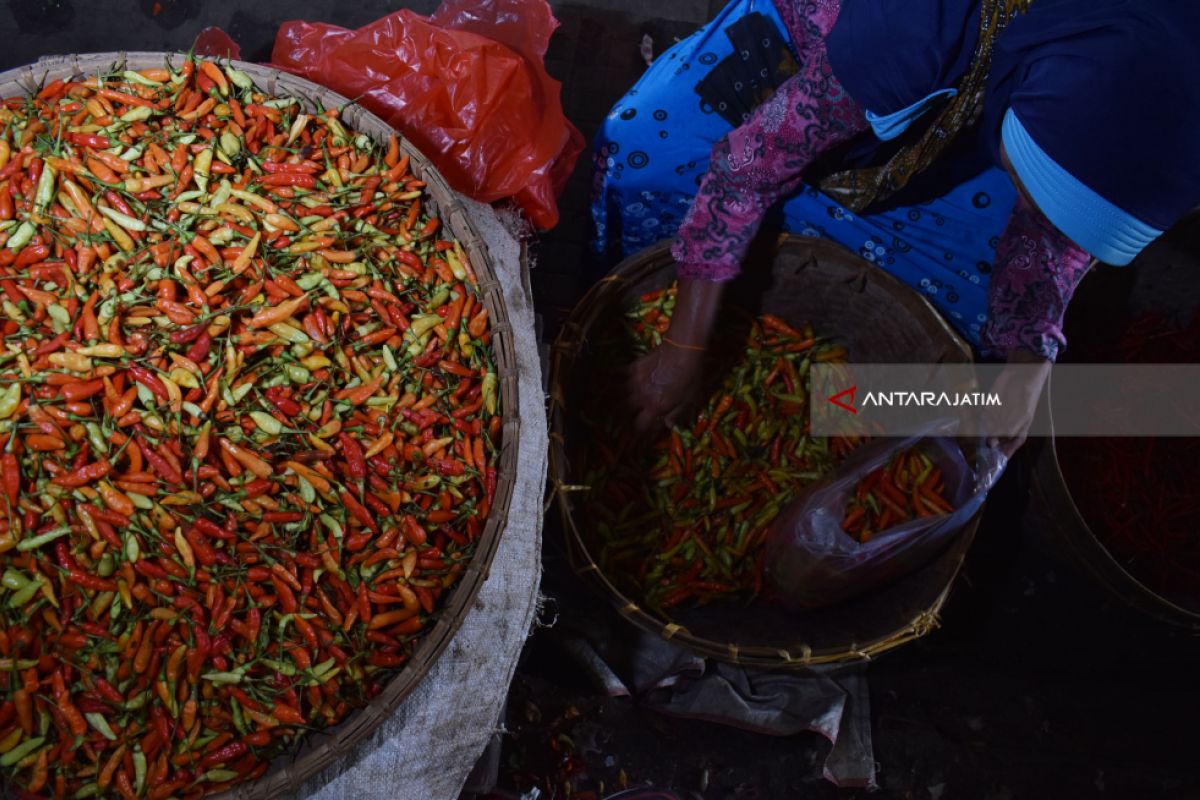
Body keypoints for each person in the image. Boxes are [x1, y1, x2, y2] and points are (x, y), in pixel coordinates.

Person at [590, 0, 1200, 454]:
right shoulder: (912, 26)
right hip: (840, 46)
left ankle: (849, 410)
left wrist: (1028, 358)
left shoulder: (1143, 57)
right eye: (1039, 183)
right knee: (641, 150)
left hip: (984, 87)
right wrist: (684, 348)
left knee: (969, 314)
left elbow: (1059, 226)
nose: (1041, 212)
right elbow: (745, 166)